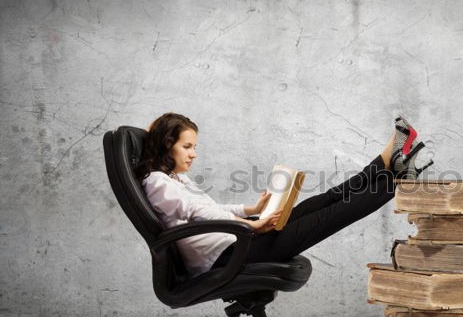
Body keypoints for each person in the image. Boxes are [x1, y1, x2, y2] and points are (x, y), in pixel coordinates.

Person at [135, 112, 433, 277]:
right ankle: (398, 179)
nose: (193, 154)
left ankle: (387, 160)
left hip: (235, 242)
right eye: (187, 147)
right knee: (328, 217)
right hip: (227, 256)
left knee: (320, 202)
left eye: (194, 147)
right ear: (165, 145)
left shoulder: (174, 179)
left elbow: (208, 208)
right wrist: (250, 225)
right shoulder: (158, 182)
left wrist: (250, 208)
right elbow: (197, 214)